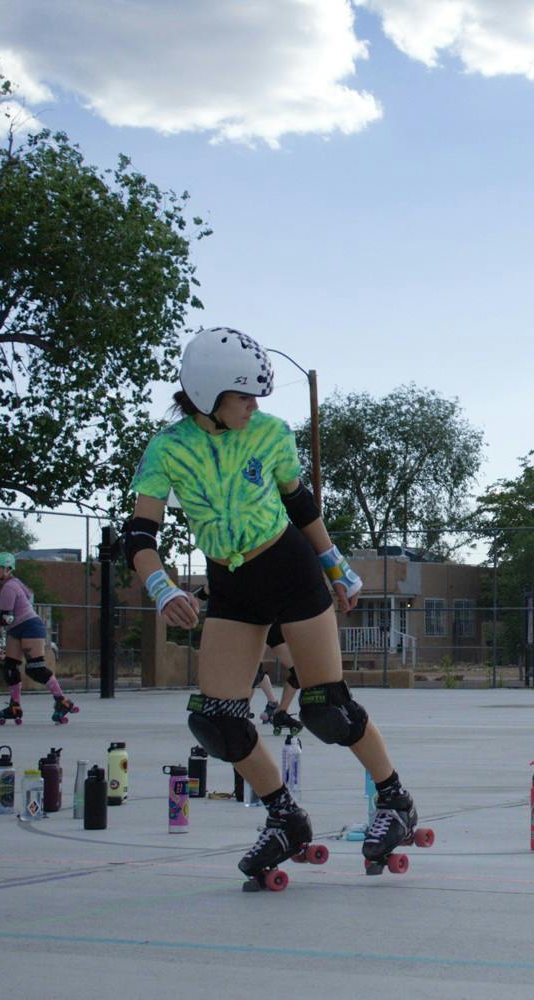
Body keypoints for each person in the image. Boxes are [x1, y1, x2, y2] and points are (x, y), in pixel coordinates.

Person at [123, 327, 422, 883]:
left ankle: (395, 802)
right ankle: (285, 816)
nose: (255, 406)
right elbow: (138, 536)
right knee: (219, 724)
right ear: (209, 394)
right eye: (244, 396)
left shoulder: (270, 434)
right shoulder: (168, 448)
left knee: (326, 708)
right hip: (232, 584)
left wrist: (336, 565)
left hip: (288, 568)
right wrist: (162, 588)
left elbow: (299, 501)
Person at [0, 552, 78, 725]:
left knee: (35, 669)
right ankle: (15, 706)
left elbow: (6, 617)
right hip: (17, 628)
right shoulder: (13, 583)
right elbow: (26, 600)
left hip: (30, 626)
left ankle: (62, 701)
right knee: (8, 666)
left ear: (8, 568)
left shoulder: (9, 586)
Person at [255, 622, 303, 735]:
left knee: (298, 672)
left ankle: (281, 713)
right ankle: (238, 716)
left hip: (272, 625)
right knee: (253, 671)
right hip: (255, 623)